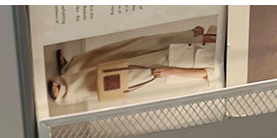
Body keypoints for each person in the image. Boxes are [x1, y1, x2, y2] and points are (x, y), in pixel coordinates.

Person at [48, 25, 217, 105]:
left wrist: (170, 70)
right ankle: (73, 67)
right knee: (122, 50)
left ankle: (67, 91)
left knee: (120, 75)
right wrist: (197, 36)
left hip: (176, 64)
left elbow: (208, 73)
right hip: (186, 42)